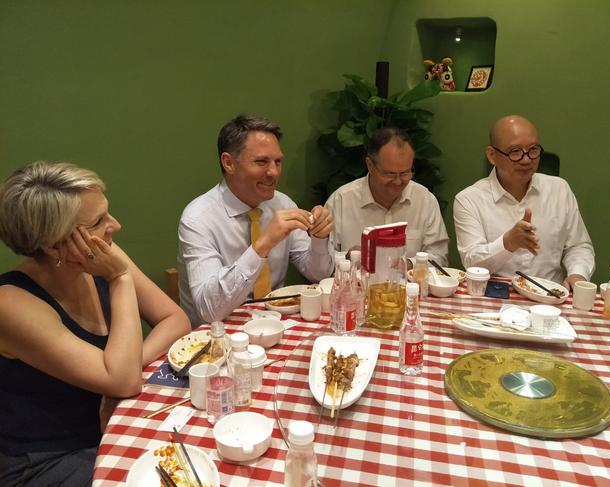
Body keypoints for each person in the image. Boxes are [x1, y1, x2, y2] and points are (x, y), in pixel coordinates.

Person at [0, 161, 191, 486]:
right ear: (53, 243)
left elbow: (176, 320)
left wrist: (123, 367)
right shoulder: (11, 303)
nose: (115, 225)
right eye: (99, 221)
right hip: (45, 459)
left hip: (113, 424)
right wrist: (119, 279)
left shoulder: (99, 254)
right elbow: (125, 381)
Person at [178, 114, 334, 325]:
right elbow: (209, 311)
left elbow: (318, 274)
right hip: (217, 338)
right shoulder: (198, 218)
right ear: (229, 163)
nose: (273, 172)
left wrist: (319, 238)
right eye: (261, 162)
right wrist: (263, 244)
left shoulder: (283, 203)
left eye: (277, 162)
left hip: (277, 324)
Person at [453, 115, 594, 290]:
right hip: (495, 298)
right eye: (515, 152)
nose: (527, 159)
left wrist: (577, 274)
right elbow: (472, 264)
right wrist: (508, 243)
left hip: (550, 297)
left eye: (533, 150)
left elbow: (578, 246)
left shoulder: (559, 190)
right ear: (492, 155)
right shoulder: (469, 199)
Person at [325, 126, 448, 264]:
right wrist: (348, 258)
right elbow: (324, 262)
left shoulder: (425, 200)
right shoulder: (342, 200)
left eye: (405, 173)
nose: (397, 181)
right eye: (389, 174)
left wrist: (409, 264)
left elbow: (438, 257)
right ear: (370, 165)